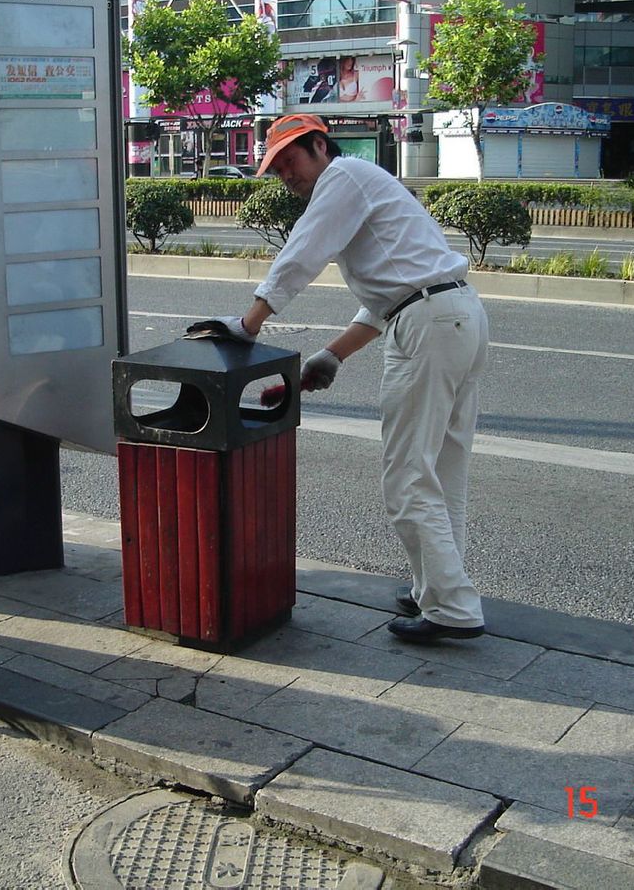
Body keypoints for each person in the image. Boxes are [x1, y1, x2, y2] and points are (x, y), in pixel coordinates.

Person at [187, 114, 490, 644]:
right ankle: (436, 589)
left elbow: (304, 250)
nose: (287, 175)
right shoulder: (365, 184)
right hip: (455, 315)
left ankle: (452, 607)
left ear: (320, 147)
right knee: (441, 470)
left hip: (431, 323)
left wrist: (248, 324)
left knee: (408, 475)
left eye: (291, 161)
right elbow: (390, 299)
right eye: (276, 169)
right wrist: (327, 360)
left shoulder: (343, 178)